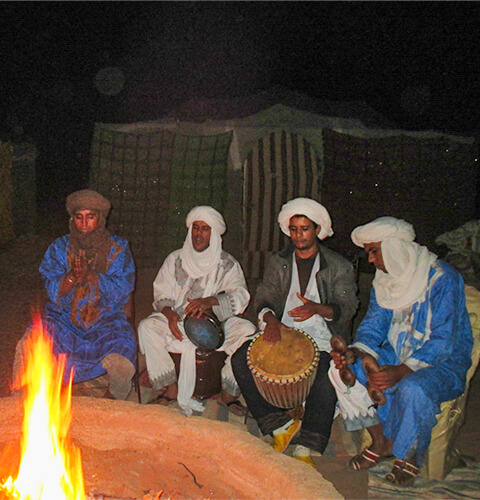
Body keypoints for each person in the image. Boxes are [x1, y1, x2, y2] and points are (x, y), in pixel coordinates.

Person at [329, 216, 473, 486]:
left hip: (442, 363)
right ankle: (381, 441)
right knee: (340, 370)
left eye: (374, 251)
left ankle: (409, 455)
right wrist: (355, 353)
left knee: (413, 389)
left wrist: (404, 370)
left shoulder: (443, 278)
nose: (370, 260)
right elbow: (372, 327)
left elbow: (445, 340)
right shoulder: (384, 281)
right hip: (398, 356)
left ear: (394, 248)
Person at [232, 197, 359, 466]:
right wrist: (271, 320)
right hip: (284, 329)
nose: (298, 235)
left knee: (326, 372)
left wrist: (318, 308)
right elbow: (264, 295)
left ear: (317, 230)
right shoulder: (279, 262)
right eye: (294, 229)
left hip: (322, 333)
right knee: (239, 359)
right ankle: (279, 426)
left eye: (305, 229)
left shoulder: (338, 266)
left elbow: (348, 307)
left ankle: (308, 444)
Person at [13, 189, 137, 400]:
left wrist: (92, 276)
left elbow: (123, 289)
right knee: (31, 340)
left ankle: (111, 403)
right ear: (72, 219)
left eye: (91, 217)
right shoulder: (59, 248)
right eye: (79, 217)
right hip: (64, 318)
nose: (84, 223)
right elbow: (52, 286)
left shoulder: (118, 249)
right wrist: (70, 277)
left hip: (105, 319)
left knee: (123, 350)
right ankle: (25, 402)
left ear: (101, 218)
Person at [137, 205, 256, 416]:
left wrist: (212, 301)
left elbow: (241, 296)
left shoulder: (227, 264)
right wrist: (169, 312)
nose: (198, 234)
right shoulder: (175, 259)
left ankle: (228, 394)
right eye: (195, 227)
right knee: (148, 327)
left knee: (246, 330)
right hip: (181, 322)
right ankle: (171, 389)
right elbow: (162, 293)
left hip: (217, 325)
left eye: (205, 228)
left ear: (215, 234)